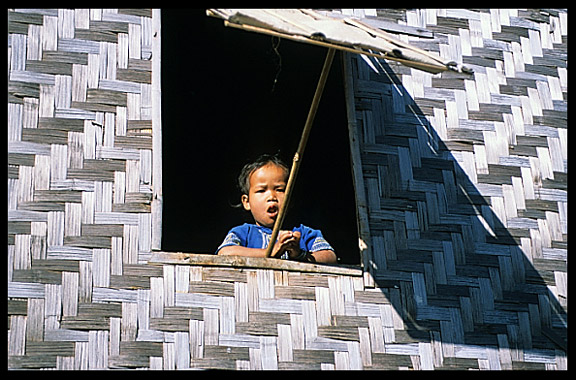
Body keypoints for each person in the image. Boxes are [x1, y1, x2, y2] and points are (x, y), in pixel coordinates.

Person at [216, 154, 338, 264]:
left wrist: (299, 254)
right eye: (261, 190)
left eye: (279, 190)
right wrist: (270, 252)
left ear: (290, 199)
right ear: (246, 202)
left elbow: (330, 257)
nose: (272, 197)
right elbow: (225, 253)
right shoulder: (243, 233)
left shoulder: (303, 233)